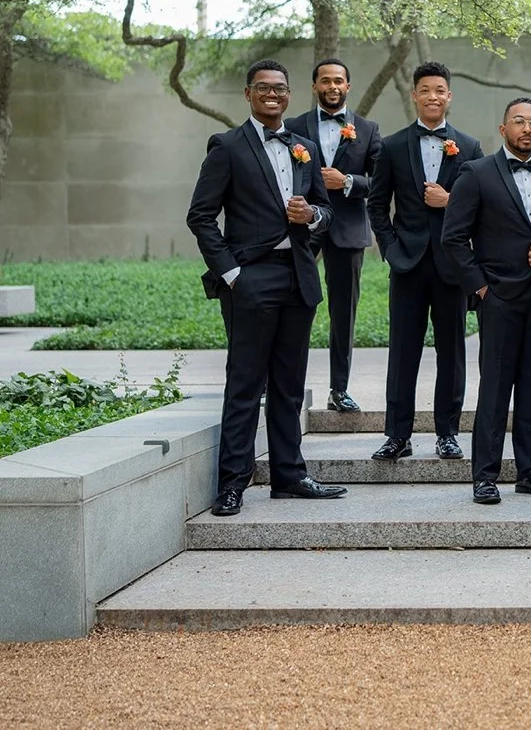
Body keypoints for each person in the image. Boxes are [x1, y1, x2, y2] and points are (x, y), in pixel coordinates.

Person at [186, 59, 346, 515]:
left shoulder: (304, 147)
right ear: (249, 94)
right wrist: (232, 274)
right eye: (263, 88)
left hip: (298, 276)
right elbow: (200, 216)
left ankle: (290, 477)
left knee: (289, 384)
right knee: (244, 384)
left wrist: (311, 216)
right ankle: (233, 484)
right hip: (249, 278)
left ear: (290, 95)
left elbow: (325, 210)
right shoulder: (228, 146)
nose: (272, 95)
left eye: (280, 88)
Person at [442, 99, 531, 504]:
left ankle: (530, 472)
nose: (526, 129)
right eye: (518, 122)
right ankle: (484, 477)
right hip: (500, 298)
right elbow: (453, 238)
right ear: (503, 129)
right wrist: (482, 288)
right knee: (495, 389)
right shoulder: (476, 173)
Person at [366, 60, 483, 462]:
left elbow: (481, 208)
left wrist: (450, 202)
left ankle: (448, 433)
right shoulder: (393, 146)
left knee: (452, 352)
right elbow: (377, 206)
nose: (433, 96)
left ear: (449, 96)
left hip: (452, 265)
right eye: (426, 90)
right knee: (403, 352)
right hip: (408, 264)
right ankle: (397, 435)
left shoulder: (468, 148)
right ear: (414, 95)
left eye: (440, 90)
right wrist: (391, 248)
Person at [285, 57, 384, 413]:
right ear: (315, 86)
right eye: (325, 81)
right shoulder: (293, 126)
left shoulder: (368, 129)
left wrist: (346, 182)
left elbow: (380, 182)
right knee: (291, 303)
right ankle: (279, 383)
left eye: (338, 81)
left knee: (344, 312)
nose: (332, 86)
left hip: (347, 229)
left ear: (348, 86)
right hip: (302, 227)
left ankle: (338, 389)